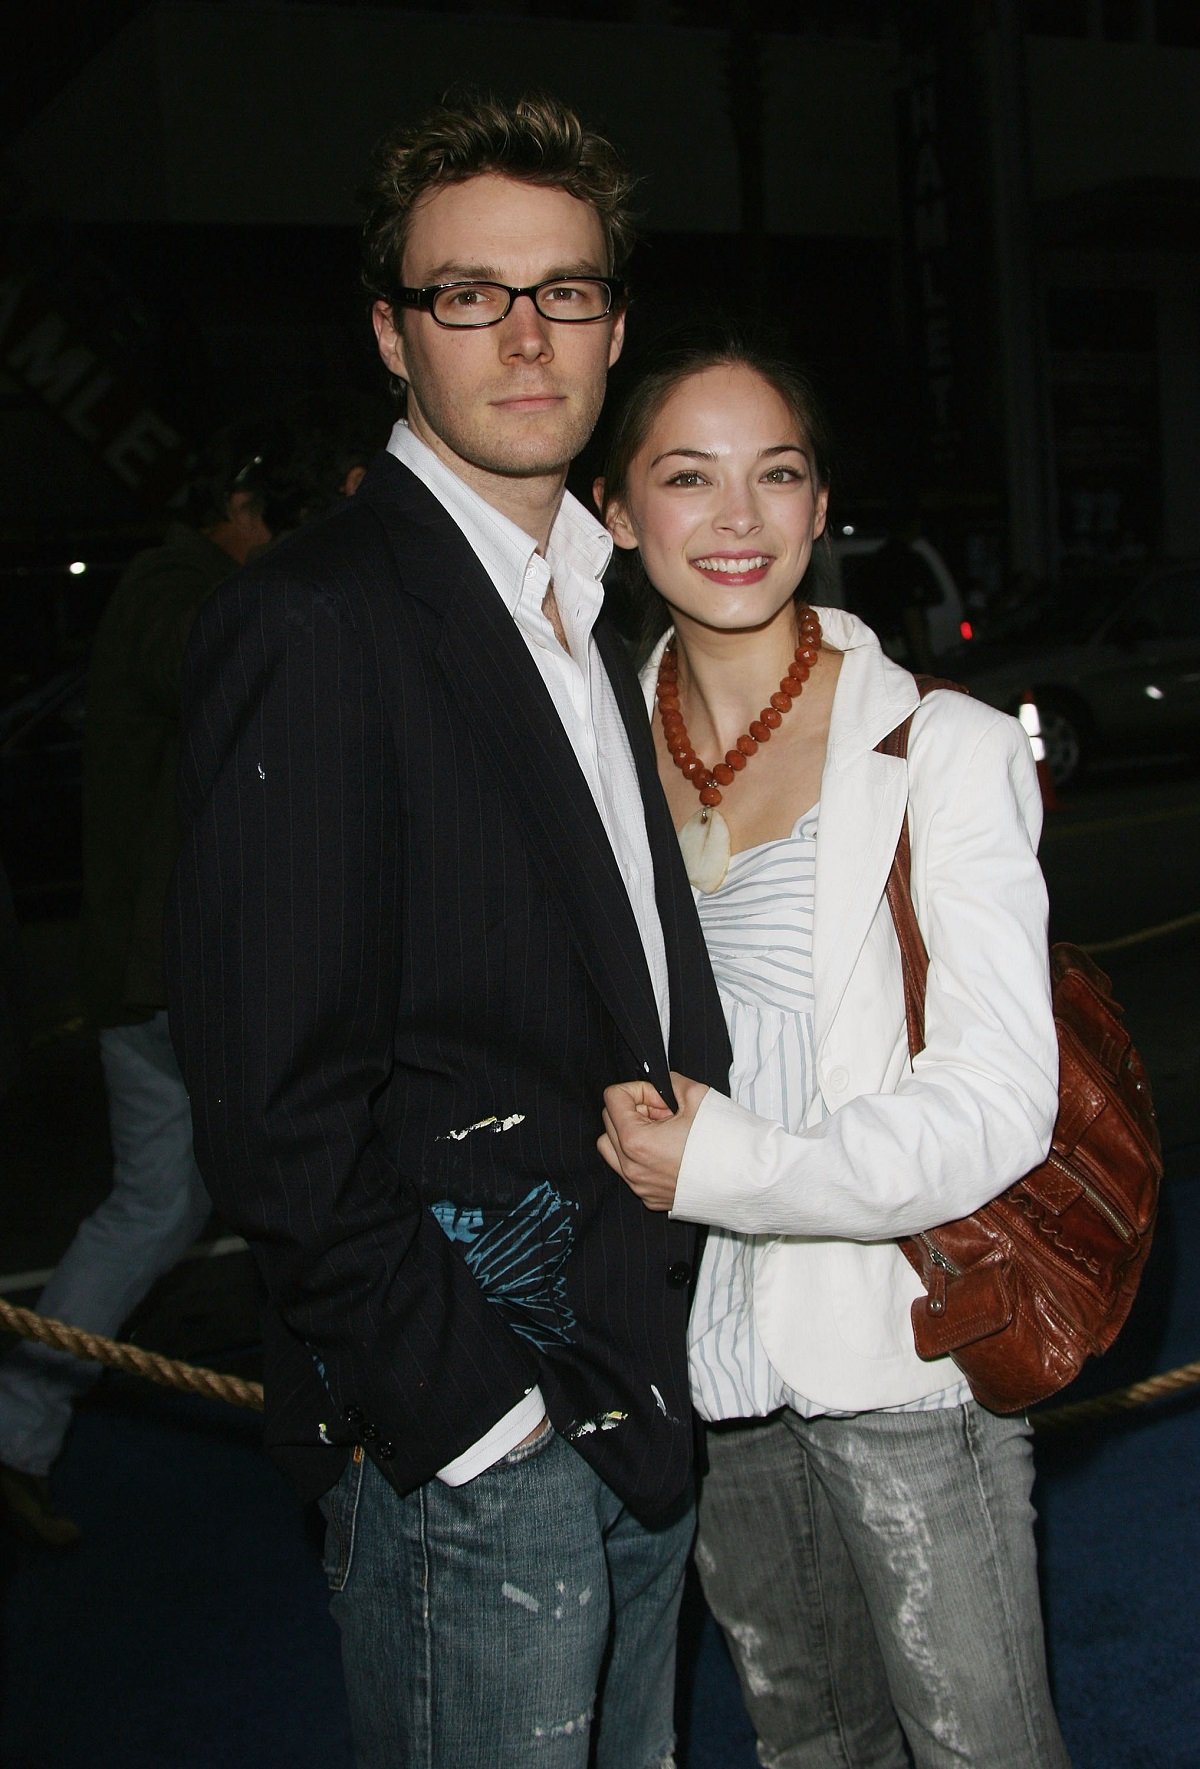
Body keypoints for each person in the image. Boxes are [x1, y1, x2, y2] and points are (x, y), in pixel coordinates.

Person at [165, 95, 729, 1769]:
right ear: (393, 333)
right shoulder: (316, 615)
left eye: (563, 291)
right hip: (481, 1425)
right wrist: (477, 1413)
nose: (525, 332)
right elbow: (270, 1100)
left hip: (638, 1375)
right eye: (469, 294)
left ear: (617, 327)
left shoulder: (600, 608)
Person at [595, 331, 1070, 1768]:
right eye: (689, 477)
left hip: (898, 1337)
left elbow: (1000, 1104)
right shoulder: (585, 755)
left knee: (982, 1745)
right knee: (807, 1740)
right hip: (695, 1357)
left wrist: (728, 1163)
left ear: (817, 506)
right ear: (617, 512)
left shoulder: (950, 750)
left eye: (776, 474)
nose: (737, 518)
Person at [0, 407, 380, 1549]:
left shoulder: (176, 587)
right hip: (193, 976)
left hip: (158, 975)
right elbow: (222, 655)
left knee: (154, 1205)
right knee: (307, 1200)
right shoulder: (176, 590)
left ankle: (15, 1432)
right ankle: (342, 1457)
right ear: (240, 514)